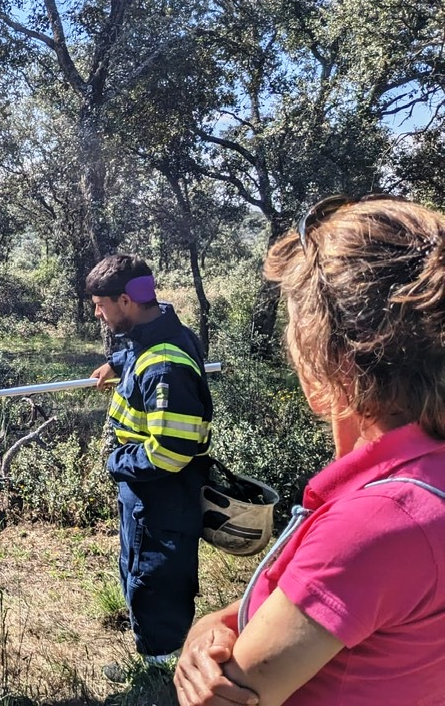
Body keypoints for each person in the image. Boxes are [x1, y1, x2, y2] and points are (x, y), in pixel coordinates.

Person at [174, 195, 445, 705]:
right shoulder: (423, 485)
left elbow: (224, 700)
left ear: (332, 358)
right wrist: (215, 624)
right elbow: (346, 603)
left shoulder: (376, 524)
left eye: (294, 330)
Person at [86, 255, 213, 680]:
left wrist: (115, 460)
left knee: (155, 581)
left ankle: (162, 677)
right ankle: (157, 660)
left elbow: (170, 452)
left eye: (102, 306)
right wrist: (118, 363)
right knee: (139, 570)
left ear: (126, 299)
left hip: (160, 495)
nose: (99, 315)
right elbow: (143, 349)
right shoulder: (160, 335)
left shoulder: (165, 367)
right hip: (147, 493)